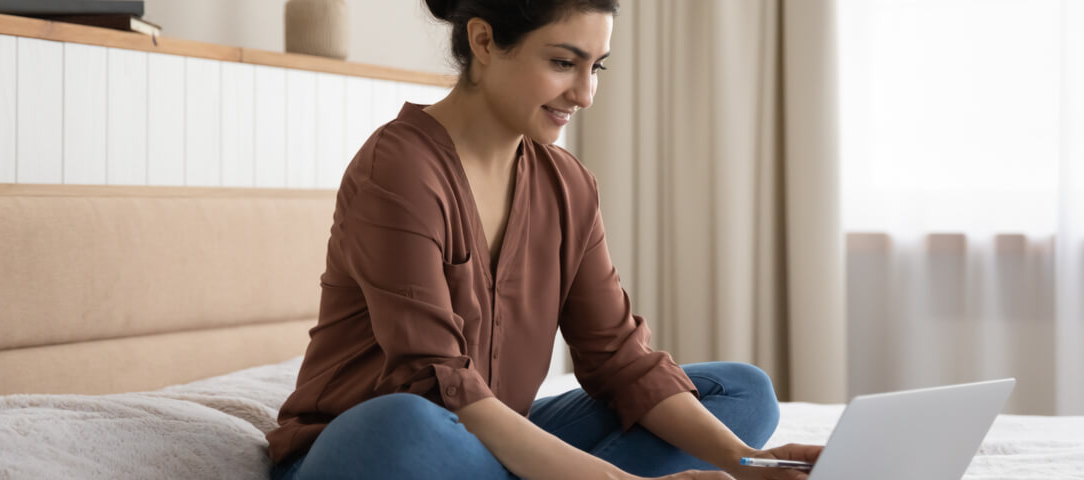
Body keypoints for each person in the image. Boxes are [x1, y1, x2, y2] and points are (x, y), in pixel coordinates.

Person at [265, 0, 824, 478]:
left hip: (492, 433)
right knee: (404, 420)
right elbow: (434, 382)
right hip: (383, 443)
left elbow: (620, 360)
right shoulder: (399, 169)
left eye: (596, 67)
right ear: (483, 40)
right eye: (563, 63)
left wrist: (747, 462)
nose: (584, 94)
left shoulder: (568, 185)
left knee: (743, 392)